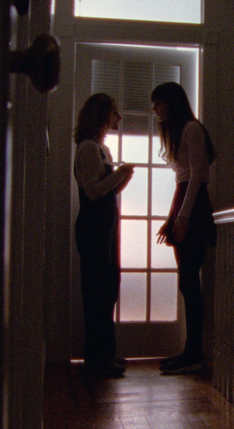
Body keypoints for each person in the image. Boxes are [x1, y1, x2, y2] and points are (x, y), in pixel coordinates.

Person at [152, 82, 217, 374]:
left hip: (194, 208)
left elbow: (198, 176)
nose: (155, 109)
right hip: (186, 205)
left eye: (158, 103)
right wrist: (173, 217)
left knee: (189, 282)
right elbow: (185, 180)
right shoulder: (181, 131)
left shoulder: (191, 129)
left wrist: (183, 216)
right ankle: (192, 352)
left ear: (172, 102)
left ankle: (194, 354)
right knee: (188, 282)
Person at [74, 93, 135, 377]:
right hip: (94, 229)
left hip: (105, 227)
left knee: (108, 289)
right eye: (114, 112)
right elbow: (93, 191)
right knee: (97, 293)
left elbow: (107, 190)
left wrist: (123, 178)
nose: (118, 118)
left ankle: (105, 354)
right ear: (101, 115)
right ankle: (97, 360)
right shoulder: (88, 148)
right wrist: (118, 174)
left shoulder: (102, 149)